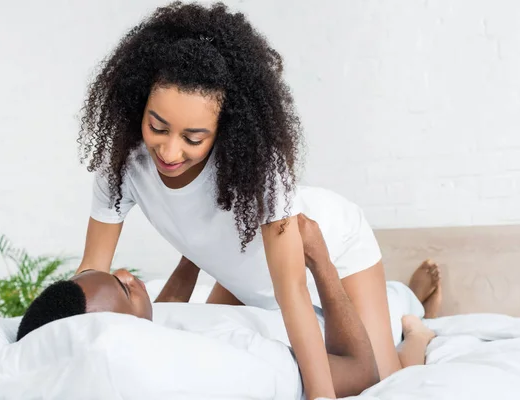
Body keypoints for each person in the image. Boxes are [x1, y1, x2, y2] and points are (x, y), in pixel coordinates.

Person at [75, 3, 435, 398]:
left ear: (225, 129)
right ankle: (401, 299)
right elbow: (92, 270)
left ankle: (414, 327)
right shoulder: (123, 167)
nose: (170, 152)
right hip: (240, 270)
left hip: (325, 247)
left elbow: (292, 291)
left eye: (193, 139)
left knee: (380, 381)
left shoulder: (261, 170)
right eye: (157, 127)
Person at [17, 215, 441, 398]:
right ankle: (418, 322)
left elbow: (158, 314)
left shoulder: (132, 340)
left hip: (271, 306)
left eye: (116, 272)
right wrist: (319, 258)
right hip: (323, 322)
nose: (128, 272)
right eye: (125, 287)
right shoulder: (228, 356)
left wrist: (194, 253)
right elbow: (359, 370)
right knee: (391, 365)